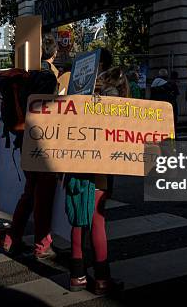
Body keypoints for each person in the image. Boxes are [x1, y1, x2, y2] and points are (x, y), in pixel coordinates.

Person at [67, 48, 123, 295]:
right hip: (98, 166)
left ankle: (77, 275)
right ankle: (101, 278)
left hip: (75, 162)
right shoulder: (110, 93)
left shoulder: (75, 92)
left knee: (79, 219)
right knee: (97, 220)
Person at [3, 34, 59, 260]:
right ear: (53, 53)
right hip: (42, 141)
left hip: (24, 138)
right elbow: (48, 111)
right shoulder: (47, 76)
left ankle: (11, 238)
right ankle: (42, 244)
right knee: (43, 194)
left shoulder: (26, 75)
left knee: (30, 191)